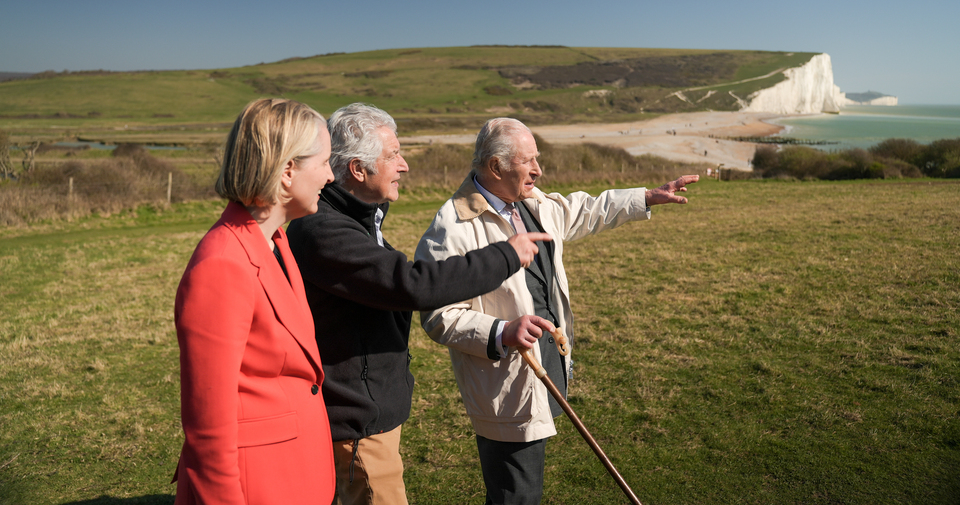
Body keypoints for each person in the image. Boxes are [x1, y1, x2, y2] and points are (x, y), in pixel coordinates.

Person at [417, 117, 699, 505]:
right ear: (496, 167)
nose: (539, 170)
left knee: (522, 488)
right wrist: (500, 332)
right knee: (514, 494)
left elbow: (584, 210)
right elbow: (437, 313)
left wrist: (646, 197)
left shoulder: (532, 202)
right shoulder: (453, 226)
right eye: (528, 161)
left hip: (546, 366)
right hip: (505, 380)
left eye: (538, 159)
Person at [286, 103, 549, 505]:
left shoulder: (356, 221)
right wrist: (506, 255)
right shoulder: (324, 231)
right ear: (358, 170)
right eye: (393, 155)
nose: (404, 165)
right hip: (356, 422)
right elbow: (412, 285)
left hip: (369, 414)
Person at [173, 98, 337, 505]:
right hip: (257, 483)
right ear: (287, 172)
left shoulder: (277, 241)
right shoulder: (222, 264)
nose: (331, 177)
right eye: (324, 163)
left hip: (293, 470)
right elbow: (208, 423)